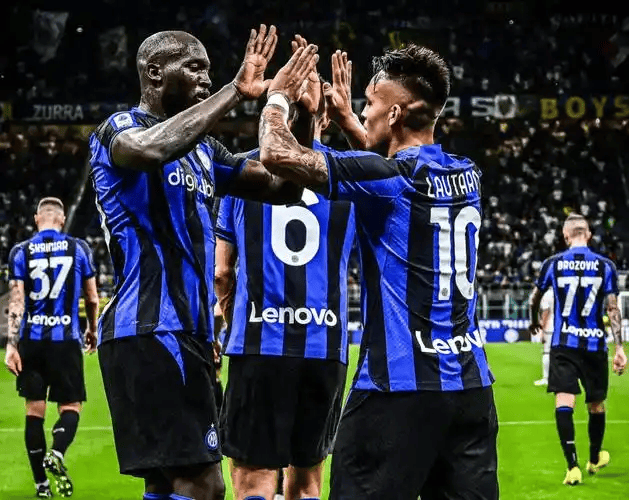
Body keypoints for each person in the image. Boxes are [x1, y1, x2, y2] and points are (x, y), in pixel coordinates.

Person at [258, 43, 498, 499]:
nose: (363, 113)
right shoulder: (468, 175)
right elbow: (382, 170)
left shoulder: (389, 178)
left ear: (395, 115)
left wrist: (278, 99)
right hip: (470, 390)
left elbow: (275, 155)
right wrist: (349, 121)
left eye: (369, 104)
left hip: (396, 389)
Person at [89, 26, 303, 500]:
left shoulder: (206, 151)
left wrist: (298, 109)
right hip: (150, 328)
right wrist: (235, 91)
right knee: (205, 484)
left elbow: (283, 188)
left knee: (166, 481)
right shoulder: (118, 129)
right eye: (194, 67)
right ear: (154, 73)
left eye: (209, 70)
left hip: (187, 331)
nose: (205, 78)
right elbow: (149, 150)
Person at [215, 41, 355, 498]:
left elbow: (221, 273)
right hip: (325, 346)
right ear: (321, 117)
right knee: (307, 482)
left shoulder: (242, 175)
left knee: (253, 479)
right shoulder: (352, 180)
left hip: (259, 343)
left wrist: (231, 319)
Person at [4, 197, 99, 498]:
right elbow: (92, 298)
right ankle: (57, 452)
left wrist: (11, 345)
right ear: (61, 219)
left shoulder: (20, 251)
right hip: (65, 341)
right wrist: (92, 329)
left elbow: (16, 302)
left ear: (37, 219)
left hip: (31, 342)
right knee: (71, 406)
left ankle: (41, 486)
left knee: (34, 410)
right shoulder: (79, 248)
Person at [529, 213, 627, 486]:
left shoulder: (553, 263)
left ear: (565, 236)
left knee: (564, 400)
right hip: (594, 344)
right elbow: (612, 308)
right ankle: (594, 459)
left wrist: (533, 320)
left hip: (564, 343)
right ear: (589, 235)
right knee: (596, 403)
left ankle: (572, 466)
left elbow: (535, 297)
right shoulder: (605, 265)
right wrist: (619, 347)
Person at [534, 289, 553, 386]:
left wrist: (542, 330)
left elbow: (546, 313)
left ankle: (546, 378)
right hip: (564, 327)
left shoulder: (548, 294)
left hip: (550, 327)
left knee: (547, 352)